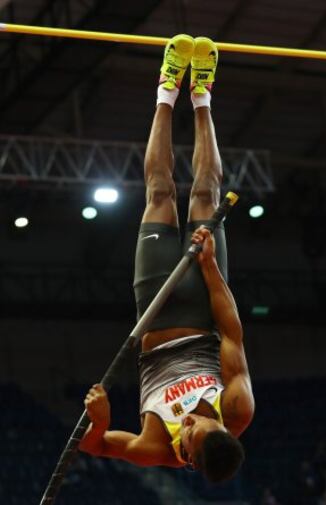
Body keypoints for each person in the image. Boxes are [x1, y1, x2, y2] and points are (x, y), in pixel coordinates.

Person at [79, 34, 255, 483]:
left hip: (154, 315)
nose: (190, 421)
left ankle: (166, 88)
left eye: (190, 433)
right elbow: (232, 331)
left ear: (189, 460)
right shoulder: (236, 408)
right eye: (202, 422)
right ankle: (201, 94)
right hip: (203, 304)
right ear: (227, 428)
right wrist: (211, 266)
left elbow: (96, 445)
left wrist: (99, 420)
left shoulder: (156, 447)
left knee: (158, 193)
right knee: (205, 194)